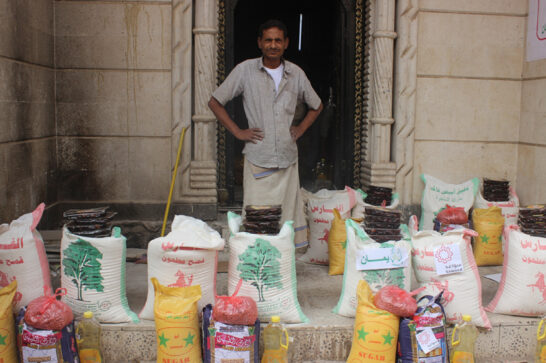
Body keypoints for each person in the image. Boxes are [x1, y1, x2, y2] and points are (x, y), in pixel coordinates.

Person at [209, 19, 323, 247]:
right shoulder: (245, 70)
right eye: (268, 40)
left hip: (287, 159)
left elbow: (317, 105)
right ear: (260, 43)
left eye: (278, 40)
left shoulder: (296, 74)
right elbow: (214, 102)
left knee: (286, 216)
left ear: (286, 43)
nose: (273, 45)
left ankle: (283, 257)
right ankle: (257, 253)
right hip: (258, 158)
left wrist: (300, 129)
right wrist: (238, 132)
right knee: (257, 215)